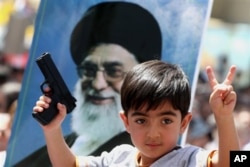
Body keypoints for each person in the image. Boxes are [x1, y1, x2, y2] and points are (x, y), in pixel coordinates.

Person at [14, 2, 162, 166]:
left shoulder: (146, 157)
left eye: (113, 72)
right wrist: (52, 129)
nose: (98, 84)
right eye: (89, 71)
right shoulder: (43, 155)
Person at [33, 60, 239, 167]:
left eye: (166, 120)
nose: (153, 133)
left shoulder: (190, 159)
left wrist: (224, 117)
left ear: (184, 122)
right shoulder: (118, 158)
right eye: (141, 120)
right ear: (126, 121)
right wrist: (52, 130)